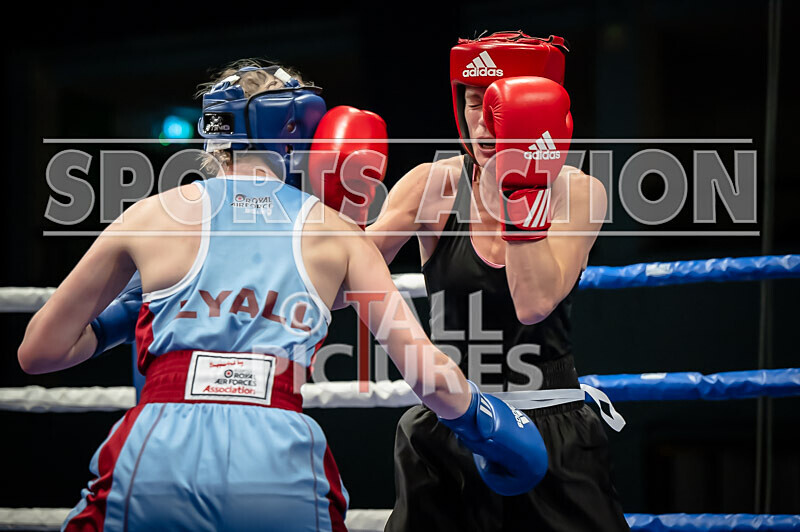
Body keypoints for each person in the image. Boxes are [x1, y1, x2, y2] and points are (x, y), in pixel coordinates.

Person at [17, 61, 548, 531]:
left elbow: (39, 352)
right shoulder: (337, 233)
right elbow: (427, 374)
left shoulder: (150, 215)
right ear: (295, 131)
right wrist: (493, 425)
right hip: (278, 461)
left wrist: (129, 313)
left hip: (155, 449)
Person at [364, 32, 630, 531]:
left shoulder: (578, 192)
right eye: (473, 103)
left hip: (550, 424)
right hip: (450, 423)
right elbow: (341, 282)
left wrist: (521, 187)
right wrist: (334, 211)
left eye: (501, 106)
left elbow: (533, 303)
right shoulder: (432, 185)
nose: (486, 124)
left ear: (541, 110)